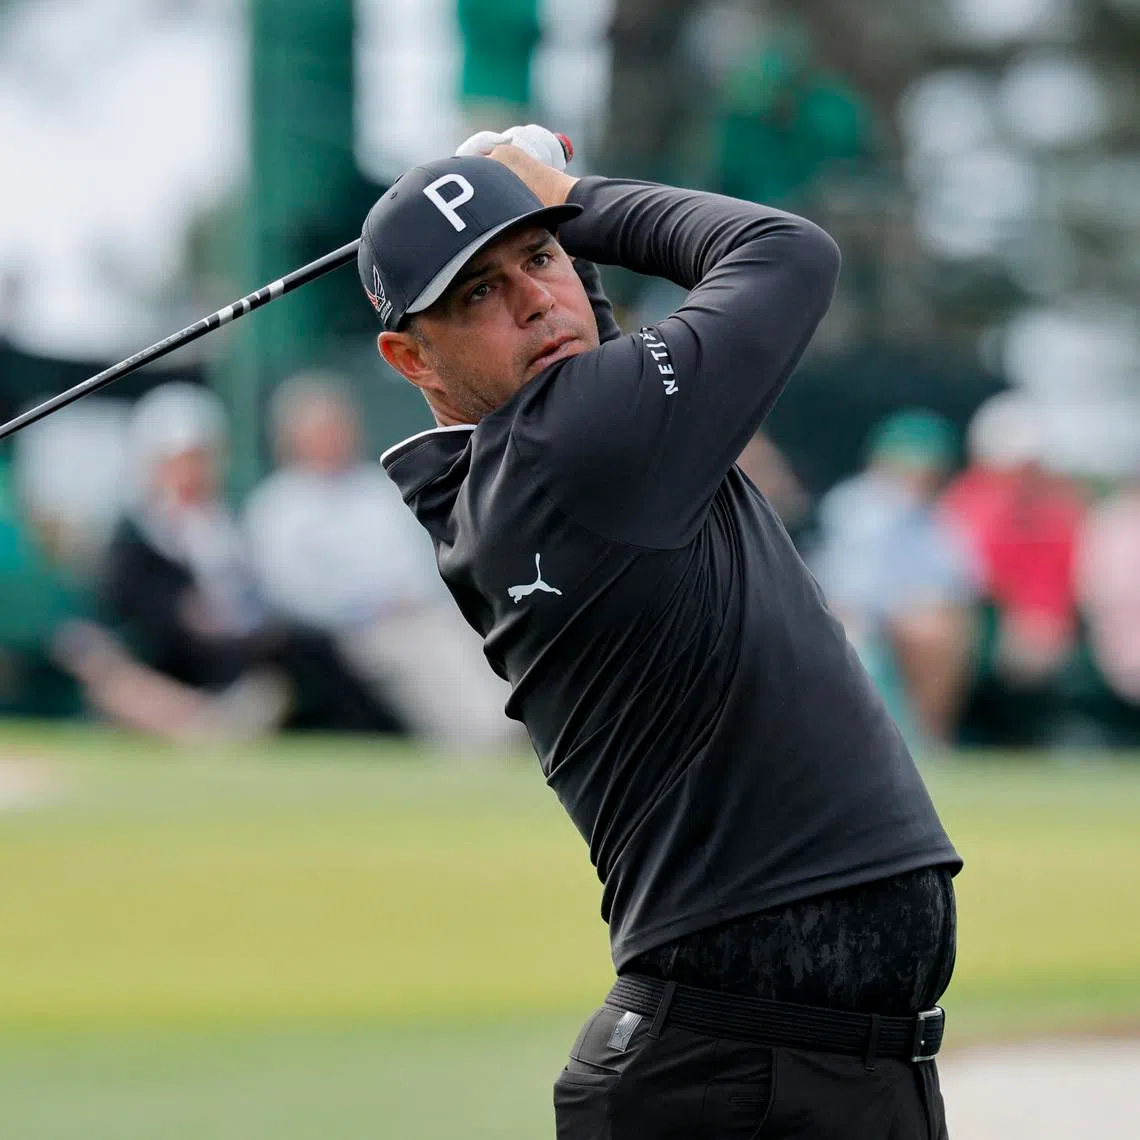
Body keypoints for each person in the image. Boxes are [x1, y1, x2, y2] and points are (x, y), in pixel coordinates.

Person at [359, 127, 961, 1138]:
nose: (534, 301)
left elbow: (574, 331)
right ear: (410, 357)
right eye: (476, 295)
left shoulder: (532, 455)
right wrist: (569, 192)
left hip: (782, 1066)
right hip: (738, 1079)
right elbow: (785, 253)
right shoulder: (578, 442)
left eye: (540, 256)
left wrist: (533, 200)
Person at [101, 382, 402, 735]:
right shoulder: (137, 536)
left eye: (201, 460)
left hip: (234, 651)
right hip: (174, 658)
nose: (192, 472)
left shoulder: (219, 525)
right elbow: (146, 612)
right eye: (181, 462)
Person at [244, 372, 517, 749]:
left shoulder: (378, 489)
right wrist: (365, 607)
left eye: (337, 427)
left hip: (416, 613)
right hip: (343, 631)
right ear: (294, 439)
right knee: (416, 654)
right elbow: (287, 589)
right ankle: (481, 735)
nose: (332, 439)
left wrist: (406, 600)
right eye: (320, 431)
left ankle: (506, 724)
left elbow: (423, 563)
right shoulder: (278, 505)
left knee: (459, 634)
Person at [810, 409, 979, 747]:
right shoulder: (853, 505)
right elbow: (844, 587)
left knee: (944, 629)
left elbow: (958, 581)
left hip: (903, 618)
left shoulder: (937, 517)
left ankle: (930, 740)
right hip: (844, 613)